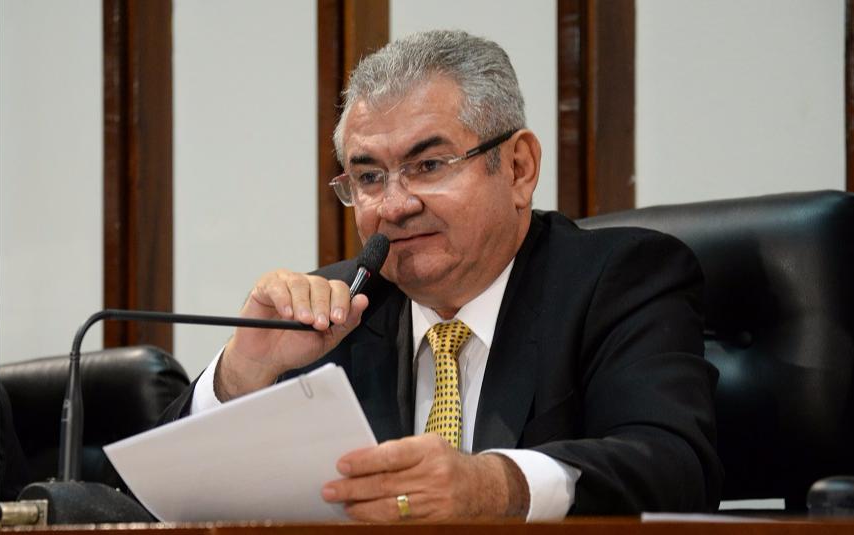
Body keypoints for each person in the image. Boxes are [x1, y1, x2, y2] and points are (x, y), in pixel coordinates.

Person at [160, 29, 722, 521]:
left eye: (428, 166)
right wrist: (241, 375)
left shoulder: (620, 280)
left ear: (519, 168)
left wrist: (496, 485)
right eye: (369, 177)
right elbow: (150, 498)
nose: (394, 206)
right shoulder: (333, 310)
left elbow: (675, 466)